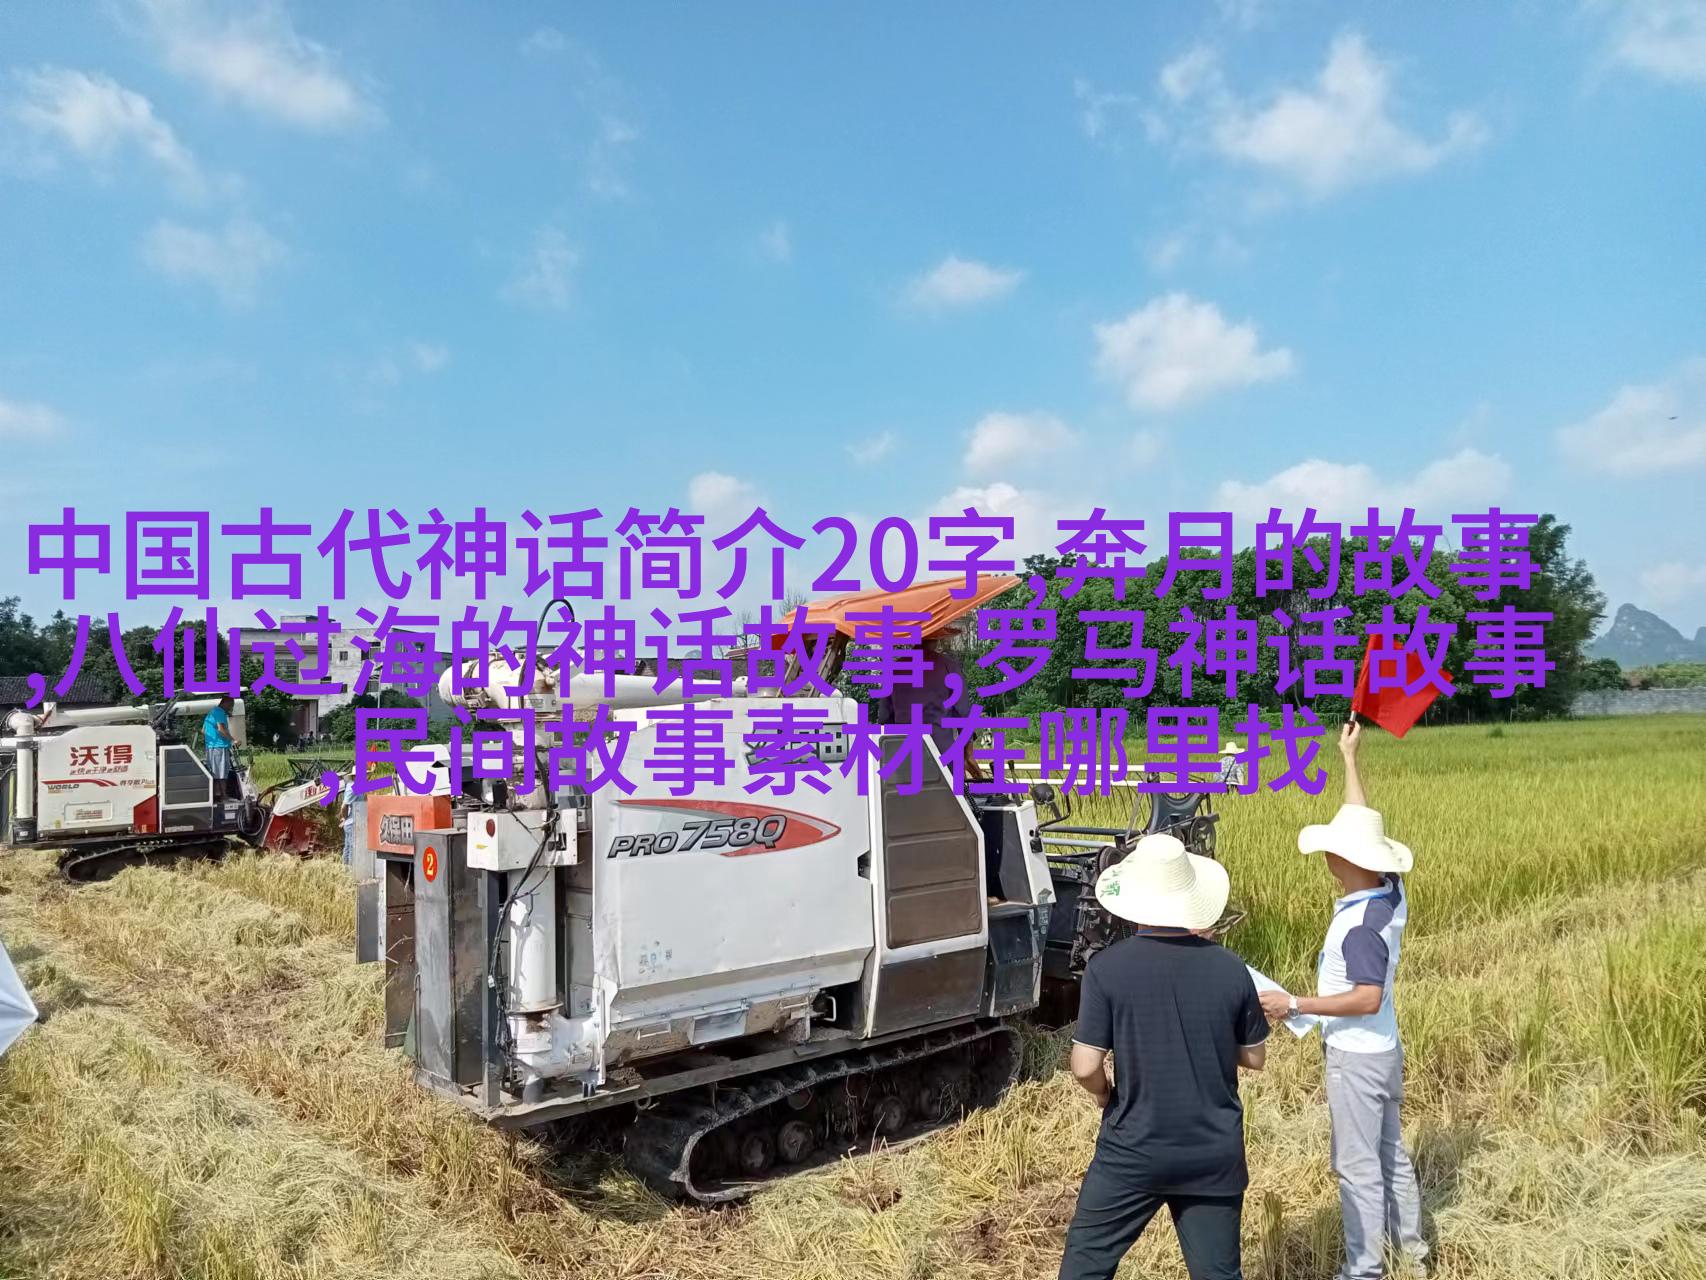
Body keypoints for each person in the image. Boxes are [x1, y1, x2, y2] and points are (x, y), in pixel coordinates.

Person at [1258, 720, 1427, 1280]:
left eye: (1333, 849)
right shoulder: (1389, 892)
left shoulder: (1359, 929)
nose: (1327, 856)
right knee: (1389, 1153)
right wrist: (1349, 758)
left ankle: (1365, 1269)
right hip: (1385, 1051)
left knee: (1357, 1166)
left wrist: (1295, 1005)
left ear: (1348, 860)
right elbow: (1362, 822)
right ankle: (1411, 1254)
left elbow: (1366, 997)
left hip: (1356, 1057)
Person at [1057, 832, 1268, 1280]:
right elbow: (1255, 1059)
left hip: (1132, 1149)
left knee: (1085, 1268)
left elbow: (1085, 1066)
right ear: (1191, 900)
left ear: (1134, 903)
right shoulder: (1231, 969)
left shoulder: (1106, 969)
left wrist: (1104, 1096)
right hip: (1212, 1153)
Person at [203, 695, 236, 799]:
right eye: (231, 705)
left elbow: (203, 731)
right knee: (222, 773)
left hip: (210, 747)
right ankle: (224, 796)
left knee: (215, 772)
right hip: (219, 746)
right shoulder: (220, 712)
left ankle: (217, 794)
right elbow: (221, 729)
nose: (231, 708)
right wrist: (233, 740)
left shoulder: (211, 712)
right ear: (225, 703)